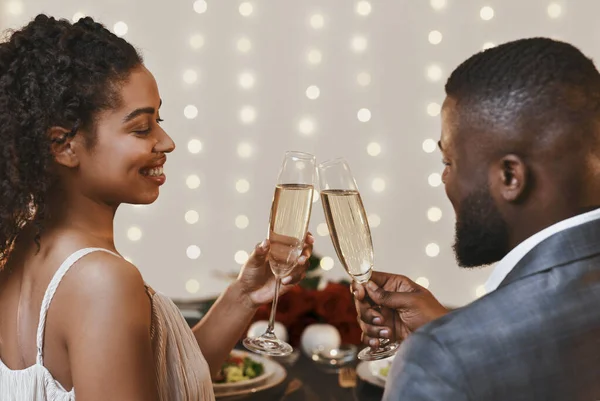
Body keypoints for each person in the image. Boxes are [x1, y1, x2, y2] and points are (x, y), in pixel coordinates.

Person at [0, 14, 314, 401]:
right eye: (142, 127)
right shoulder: (103, 281)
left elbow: (161, 380)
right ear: (64, 145)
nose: (166, 142)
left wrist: (244, 295)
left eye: (158, 120)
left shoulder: (18, 252)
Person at [354, 37, 600, 401]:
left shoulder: (437, 360)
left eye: (448, 162)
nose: (444, 180)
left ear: (510, 178)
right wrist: (453, 331)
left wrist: (447, 348)